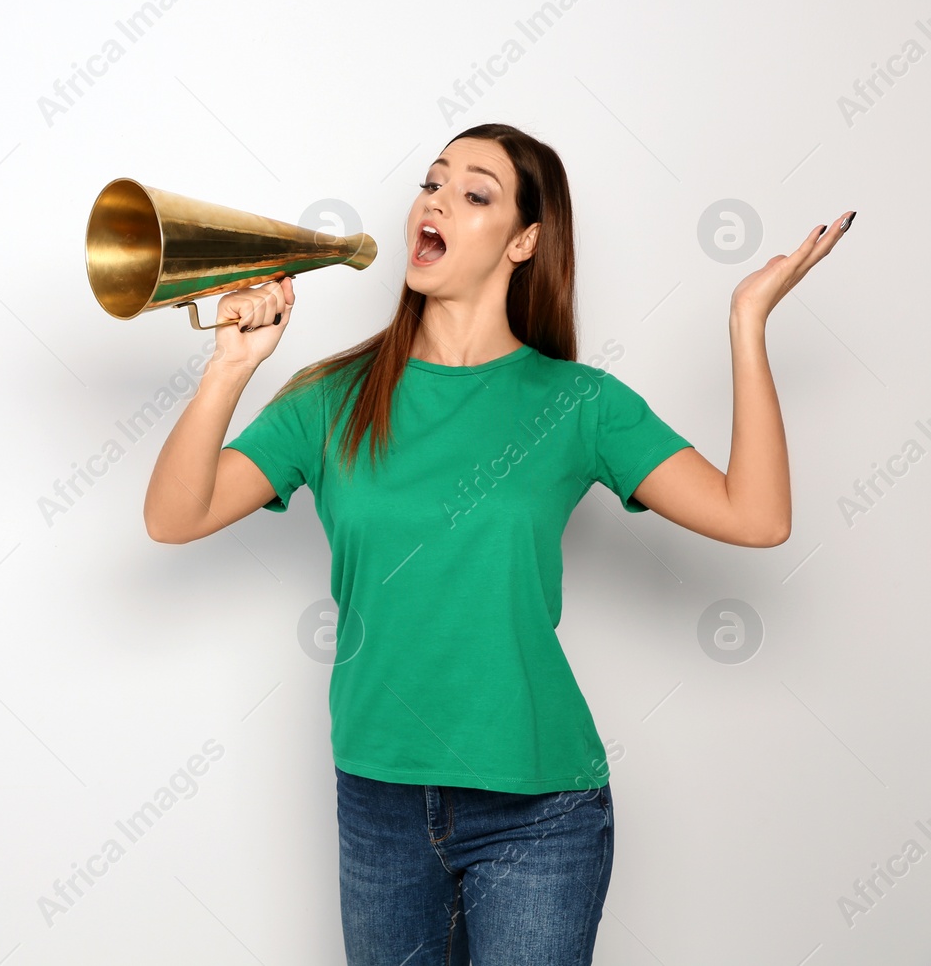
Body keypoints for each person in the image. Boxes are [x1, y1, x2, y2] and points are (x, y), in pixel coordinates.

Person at [142, 121, 855, 965]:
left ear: (524, 240)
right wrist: (231, 365)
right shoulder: (334, 396)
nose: (435, 200)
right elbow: (174, 516)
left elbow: (757, 514)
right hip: (379, 804)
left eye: (474, 192)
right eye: (431, 182)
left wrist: (747, 322)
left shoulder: (577, 402)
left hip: (540, 808)